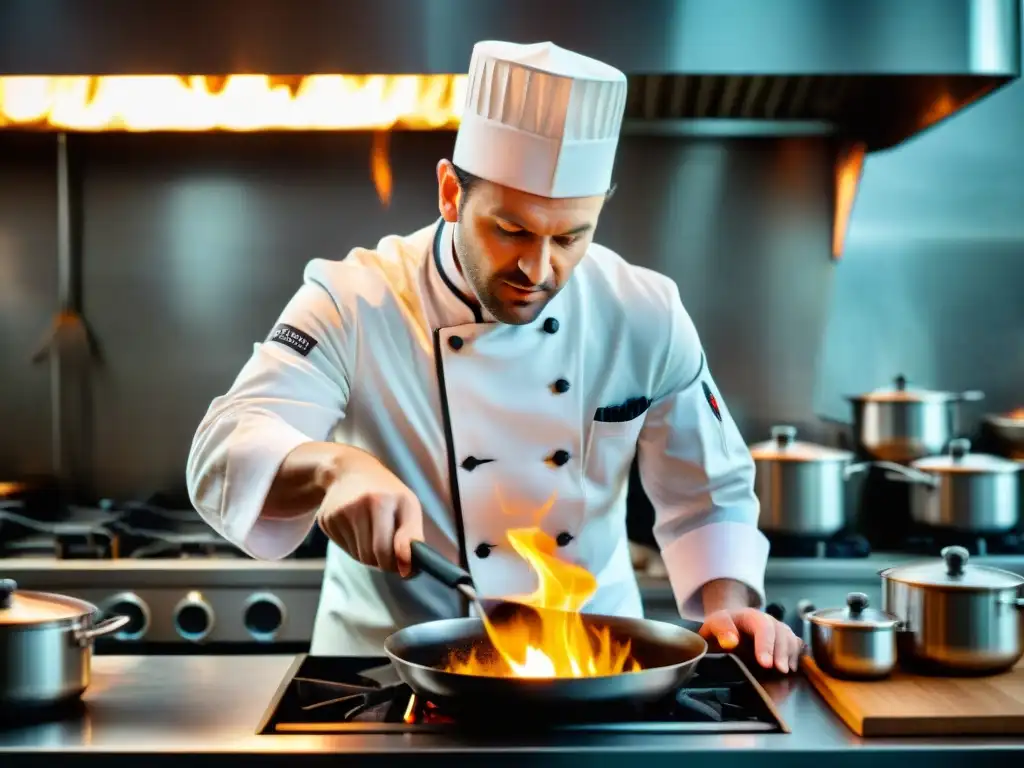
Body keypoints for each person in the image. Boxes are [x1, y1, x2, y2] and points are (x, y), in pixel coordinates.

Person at [186, 40, 802, 672]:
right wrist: (331, 468)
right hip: (385, 677)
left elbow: (710, 491)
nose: (539, 268)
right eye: (511, 231)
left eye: (570, 237)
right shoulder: (354, 300)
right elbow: (223, 449)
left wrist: (728, 607)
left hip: (590, 674)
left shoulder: (644, 312)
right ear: (451, 193)